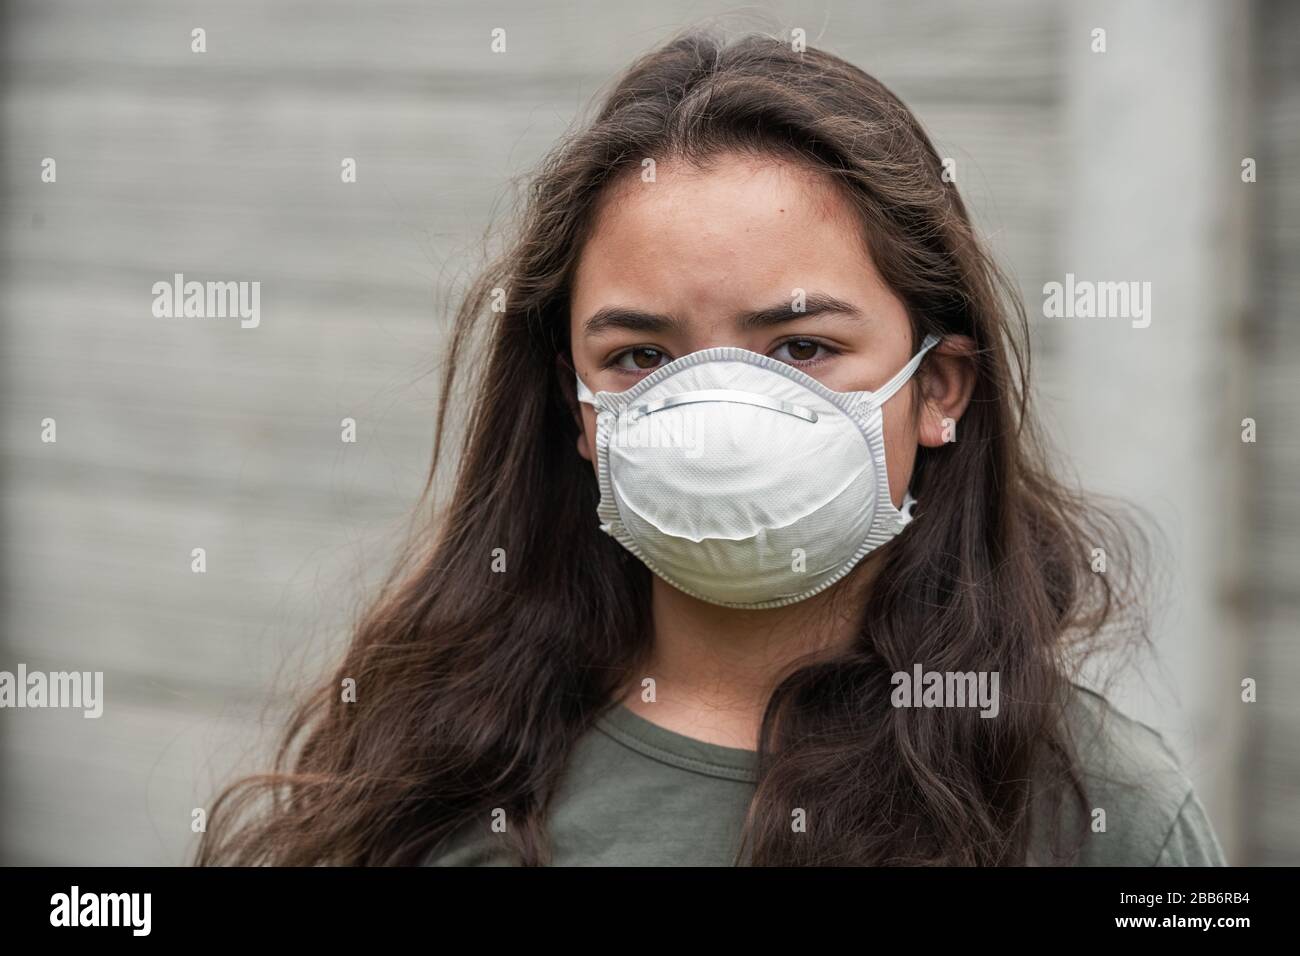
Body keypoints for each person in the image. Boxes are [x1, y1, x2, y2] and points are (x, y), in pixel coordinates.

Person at [196, 30, 1226, 867]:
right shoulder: (430, 767)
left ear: (936, 390)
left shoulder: (1097, 810)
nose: (721, 406)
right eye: (642, 352)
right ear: (580, 405)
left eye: (801, 346)